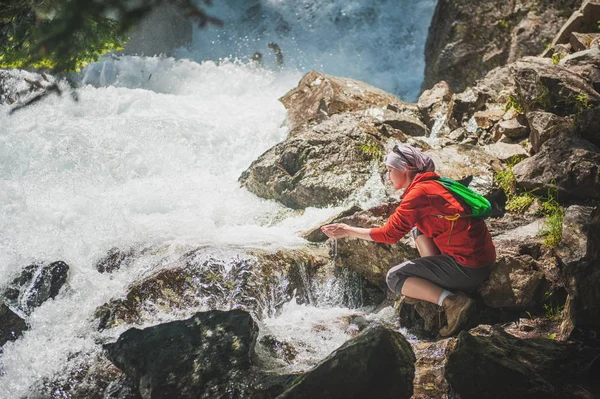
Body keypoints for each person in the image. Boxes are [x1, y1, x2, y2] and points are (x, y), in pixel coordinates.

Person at [321, 144, 496, 336]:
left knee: (395, 277)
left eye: (390, 171)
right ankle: (435, 283)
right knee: (416, 228)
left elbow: (389, 235)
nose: (388, 177)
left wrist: (347, 230)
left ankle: (452, 302)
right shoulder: (433, 184)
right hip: (481, 259)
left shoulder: (418, 194)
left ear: (404, 170)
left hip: (469, 269)